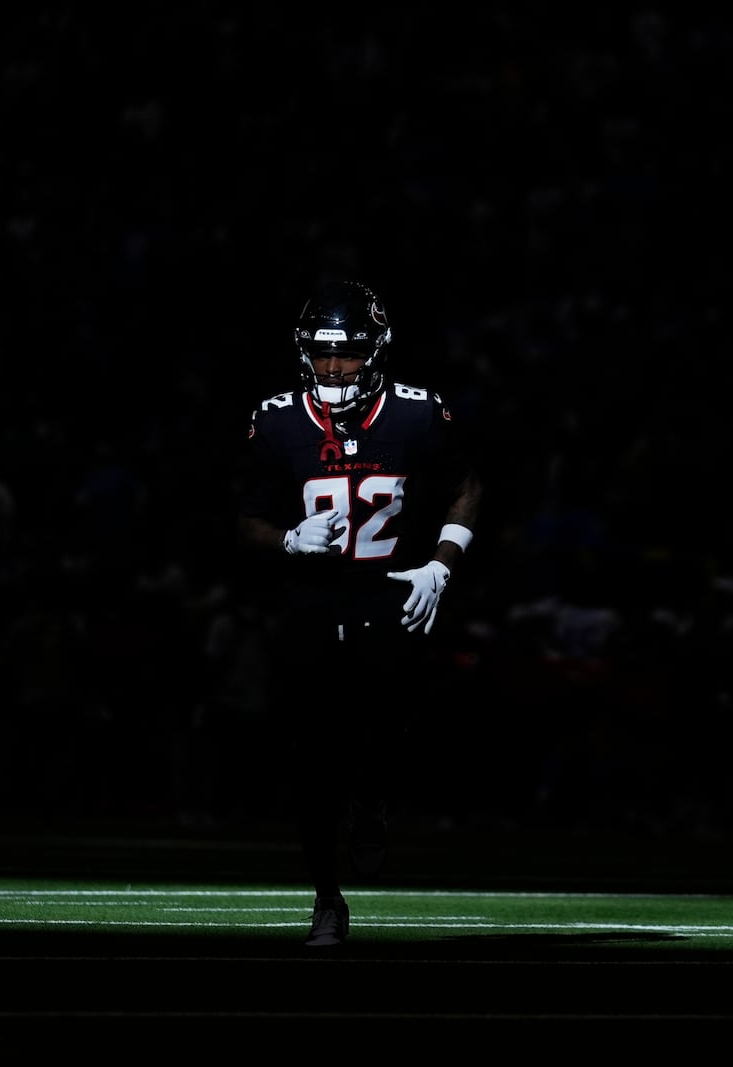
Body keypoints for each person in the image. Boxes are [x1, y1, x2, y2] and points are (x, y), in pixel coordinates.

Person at [234, 279, 482, 948]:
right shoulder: (278, 417)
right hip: (311, 602)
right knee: (311, 761)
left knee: (385, 734)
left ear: (375, 351)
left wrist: (441, 563)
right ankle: (326, 899)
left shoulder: (417, 413)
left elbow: (465, 486)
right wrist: (286, 538)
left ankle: (372, 798)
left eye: (346, 354)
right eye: (322, 354)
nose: (334, 367)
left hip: (387, 595)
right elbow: (244, 518)